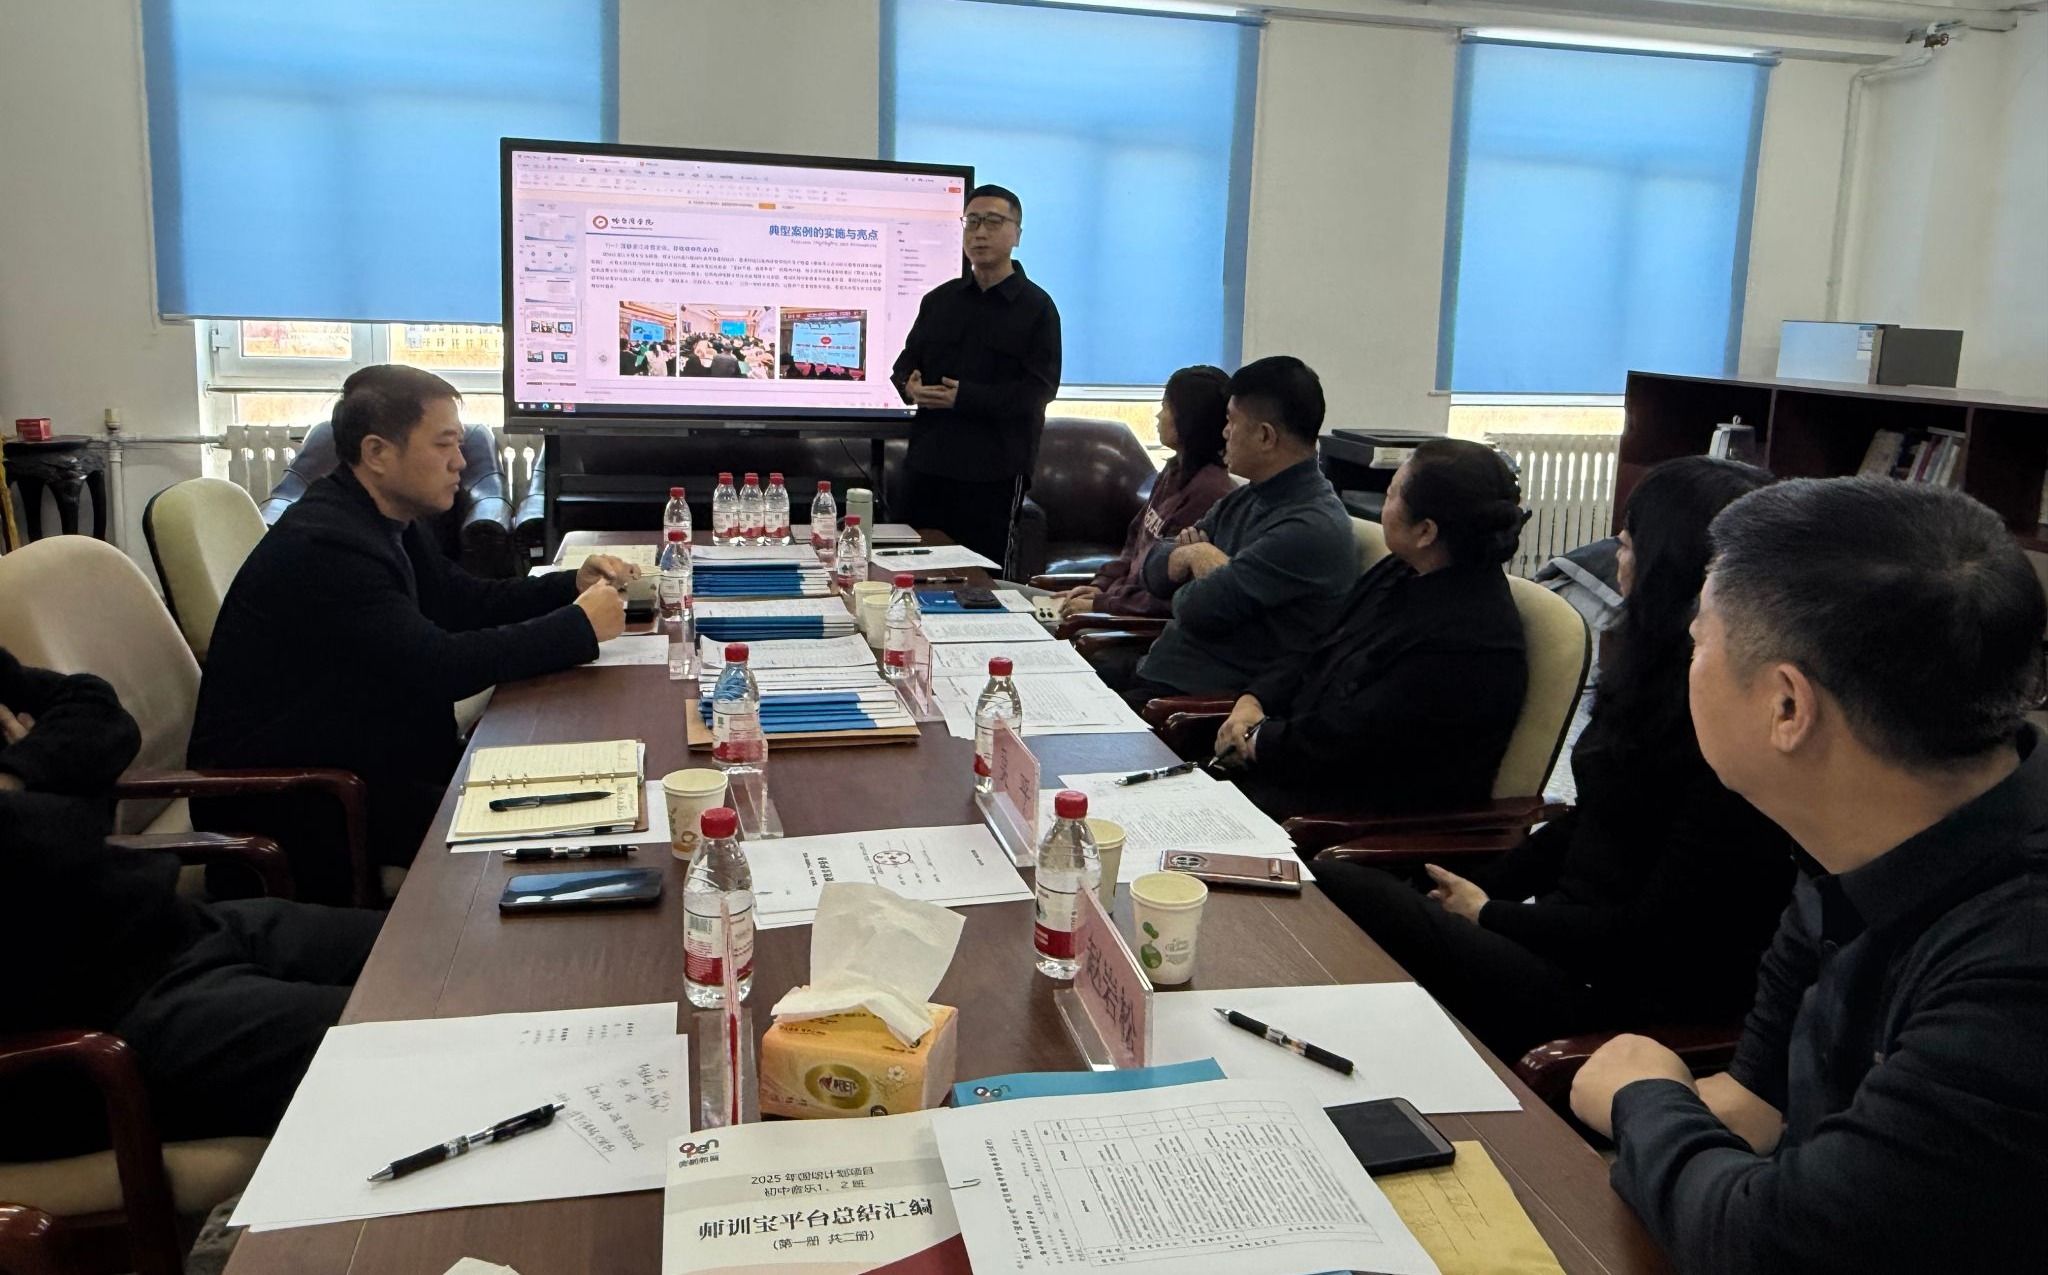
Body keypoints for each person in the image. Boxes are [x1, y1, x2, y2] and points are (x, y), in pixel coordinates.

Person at [1569, 478, 2048, 1273]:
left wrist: (1642, 1096)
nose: (1687, 662)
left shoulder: (2017, 967)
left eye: (1699, 642)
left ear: (1788, 707)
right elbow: (1756, 1103)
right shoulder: (1856, 837)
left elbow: (1773, 1245)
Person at [1315, 457, 1793, 1062]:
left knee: (1342, 887)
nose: (1616, 554)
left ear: (1670, 568)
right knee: (1365, 896)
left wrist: (1490, 914)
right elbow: (1591, 822)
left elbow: (1654, 934)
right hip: (1562, 941)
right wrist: (1480, 890)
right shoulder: (1652, 676)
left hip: (1610, 994)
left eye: (1628, 543)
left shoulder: (1728, 737)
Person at [190, 365, 633, 904]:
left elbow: (463, 602)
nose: (461, 461)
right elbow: (437, 667)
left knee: (582, 798)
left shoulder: (385, 517)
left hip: (370, 762)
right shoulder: (328, 547)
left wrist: (570, 586)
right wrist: (577, 627)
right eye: (444, 444)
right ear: (377, 453)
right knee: (559, 833)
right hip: (306, 801)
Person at [0, 649, 381, 1160]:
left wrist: (18, 777)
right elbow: (54, 840)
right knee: (413, 1040)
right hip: (98, 1020)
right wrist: (62, 787)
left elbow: (97, 707)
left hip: (178, 925)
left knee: (441, 958)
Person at [1210, 440, 1530, 819]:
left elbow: (1356, 738)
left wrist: (1258, 740)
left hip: (1347, 818)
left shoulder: (1470, 639)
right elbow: (1317, 645)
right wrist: (1253, 700)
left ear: (1426, 531)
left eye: (1390, 494)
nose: (1382, 506)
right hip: (1291, 768)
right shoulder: (1402, 568)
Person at [1106, 355, 1355, 705]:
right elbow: (1153, 569)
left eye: (1232, 421)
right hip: (1158, 671)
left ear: (1265, 436)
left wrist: (1192, 563)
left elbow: (1194, 609)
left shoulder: (1308, 528)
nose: (1224, 432)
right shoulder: (1248, 497)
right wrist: (1197, 555)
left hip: (1192, 701)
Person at [891, 183, 1062, 571]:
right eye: (972, 222)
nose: (980, 232)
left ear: (1017, 234)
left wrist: (964, 397)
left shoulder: (1037, 308)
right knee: (910, 571)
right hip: (928, 464)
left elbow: (1039, 390)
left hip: (994, 471)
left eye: (993, 222)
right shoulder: (939, 300)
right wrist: (909, 387)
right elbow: (905, 364)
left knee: (982, 579)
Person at [1050, 365, 1235, 621]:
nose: (1158, 416)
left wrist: (1102, 605)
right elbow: (1135, 539)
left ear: (1189, 419)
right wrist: (1101, 586)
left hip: (1133, 622)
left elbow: (1167, 596)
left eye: (1166, 407)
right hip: (1118, 604)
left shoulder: (1208, 492)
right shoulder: (1174, 470)